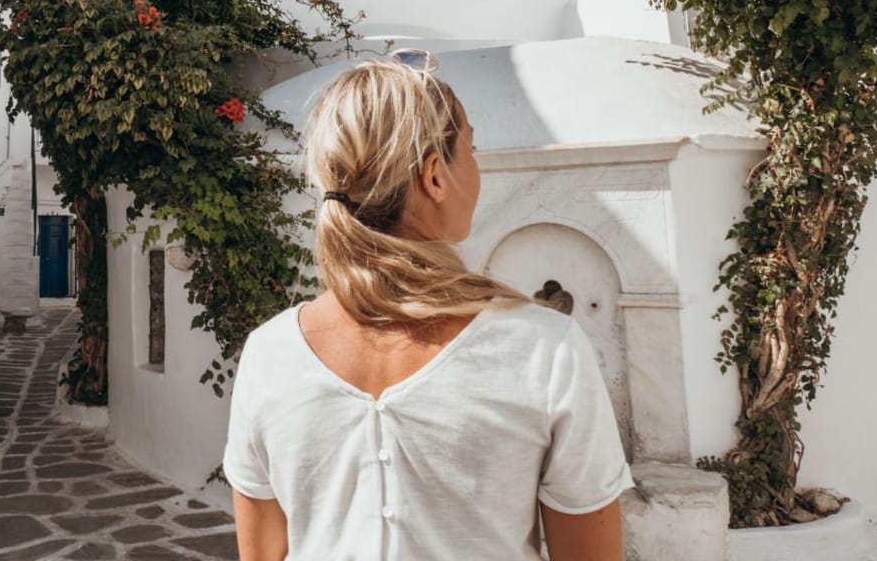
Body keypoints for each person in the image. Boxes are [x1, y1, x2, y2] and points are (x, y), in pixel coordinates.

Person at [224, 51, 631, 560]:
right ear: (435, 176)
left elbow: (262, 554)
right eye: (473, 149)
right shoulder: (542, 350)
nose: (478, 169)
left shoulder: (269, 354)